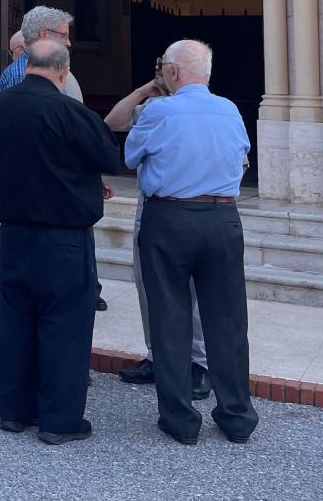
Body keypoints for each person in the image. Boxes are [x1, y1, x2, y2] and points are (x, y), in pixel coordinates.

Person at [0, 38, 120, 444]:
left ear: (25, 65)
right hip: (64, 237)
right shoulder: (70, 111)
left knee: (17, 321)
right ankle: (59, 419)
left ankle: (14, 411)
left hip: (15, 234)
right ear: (63, 71)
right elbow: (110, 158)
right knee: (65, 327)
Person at [125, 40, 258, 446]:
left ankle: (180, 419)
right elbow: (242, 156)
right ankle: (237, 416)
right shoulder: (230, 109)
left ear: (173, 72)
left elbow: (131, 157)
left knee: (170, 316)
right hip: (222, 217)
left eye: (165, 65)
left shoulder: (160, 110)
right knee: (229, 320)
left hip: (170, 217)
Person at [106, 58, 212, 401]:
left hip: (193, 206)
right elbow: (112, 122)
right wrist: (142, 91)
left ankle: (198, 363)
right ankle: (157, 356)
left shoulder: (209, 108)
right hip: (152, 206)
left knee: (193, 290)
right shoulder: (151, 107)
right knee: (147, 285)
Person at [0, 6, 84, 102]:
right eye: (64, 36)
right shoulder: (21, 75)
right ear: (43, 34)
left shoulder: (52, 68)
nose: (68, 43)